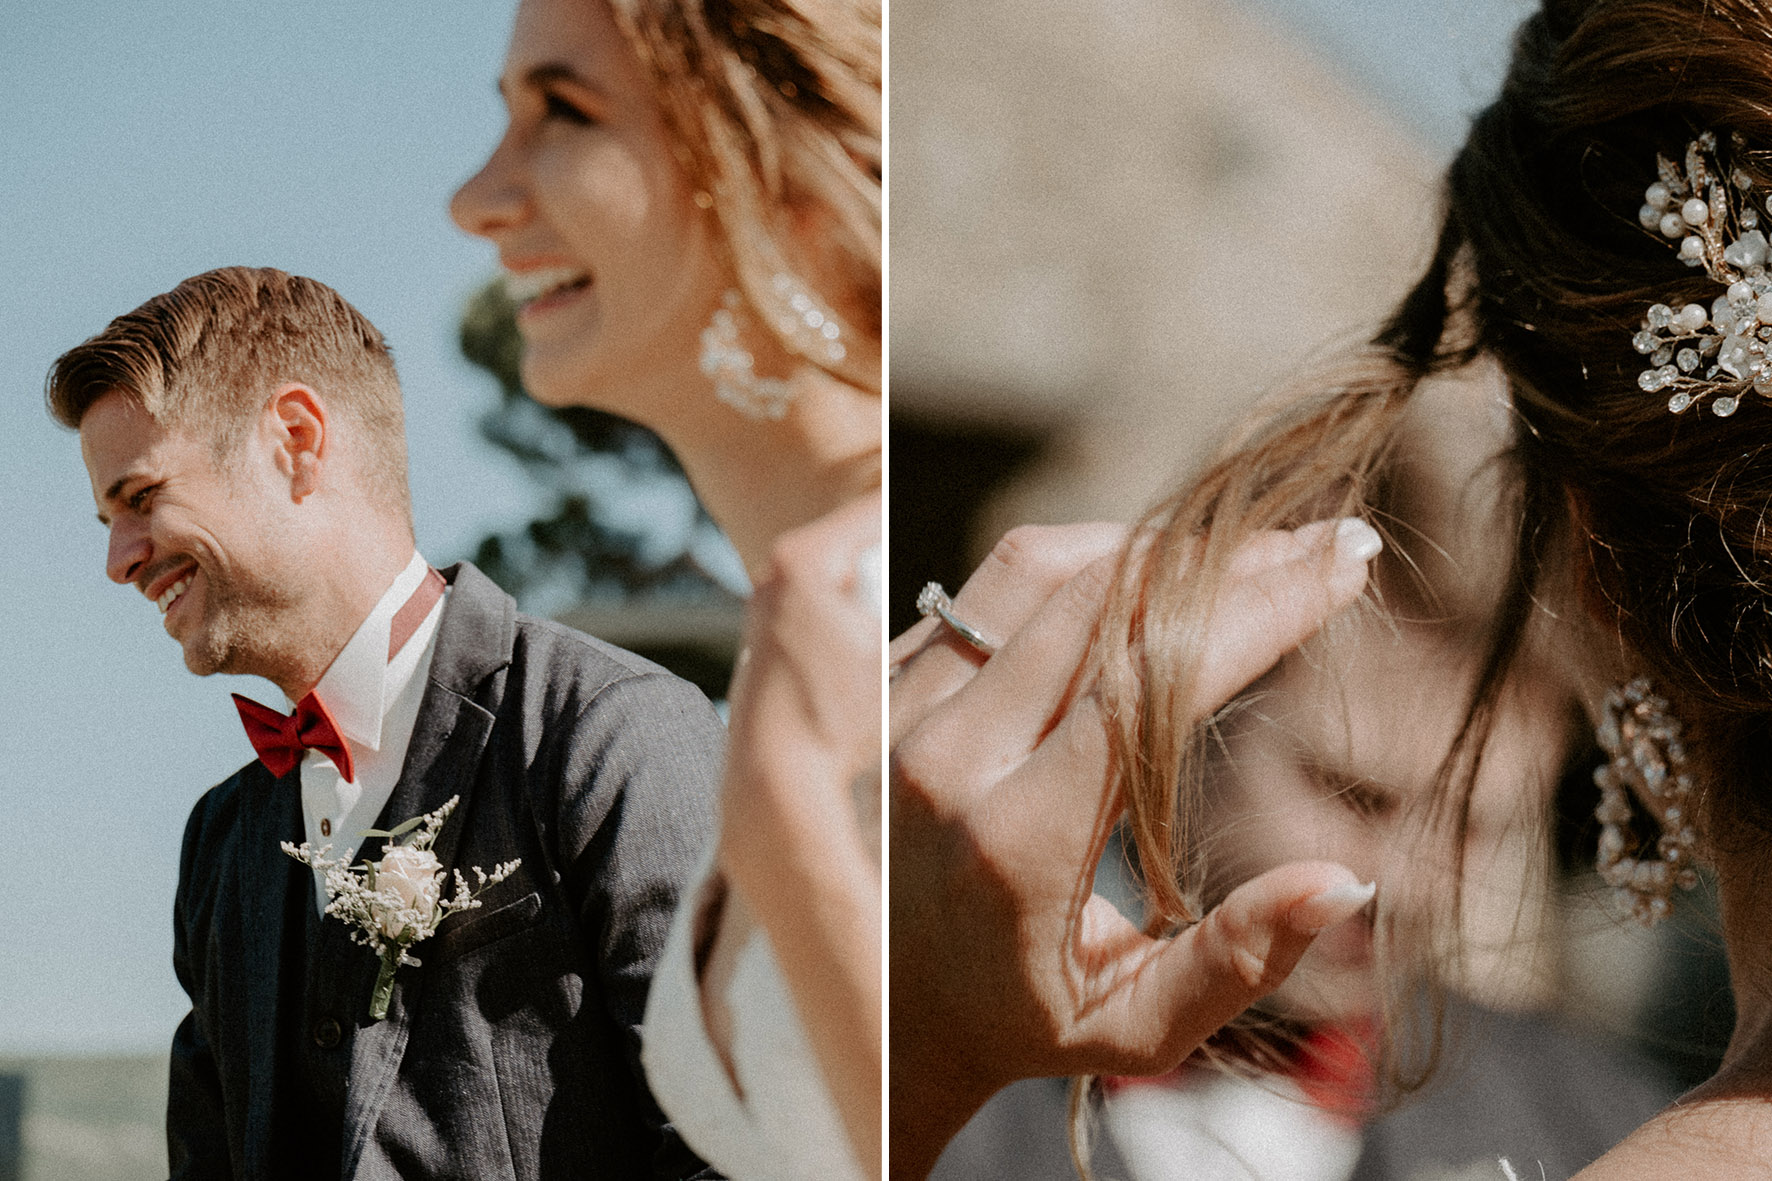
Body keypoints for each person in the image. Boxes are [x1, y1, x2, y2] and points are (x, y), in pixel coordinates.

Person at [898, 0, 1772, 1175]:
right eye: (1350, 791)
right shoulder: (905, 1061)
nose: (1399, 883)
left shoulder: (1597, 1115)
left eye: (1468, 821)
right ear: (1187, 718)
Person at [48, 266, 725, 1180]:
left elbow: (741, 1145)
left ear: (295, 441)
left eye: (139, 498)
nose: (118, 560)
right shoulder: (220, 844)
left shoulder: (608, 733)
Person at [448, 0, 882, 1176]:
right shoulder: (784, 637)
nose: (475, 200)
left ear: (780, 157)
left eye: (565, 111)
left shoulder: (908, 596)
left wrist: (793, 818)